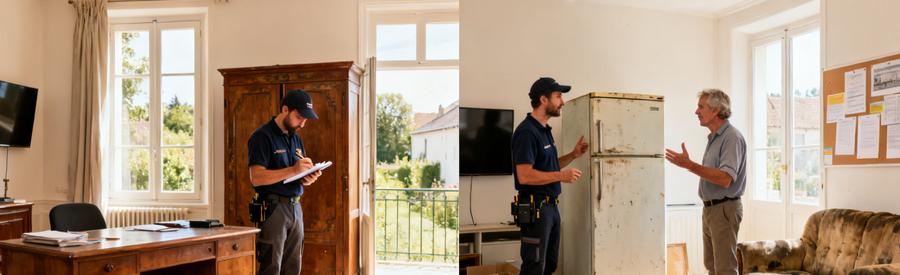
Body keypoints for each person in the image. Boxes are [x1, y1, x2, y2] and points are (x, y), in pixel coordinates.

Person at [511, 77, 589, 275]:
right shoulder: (527, 132)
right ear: (543, 100)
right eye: (558, 96)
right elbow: (525, 176)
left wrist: (573, 155)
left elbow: (549, 167)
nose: (562, 101)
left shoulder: (544, 131)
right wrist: (562, 176)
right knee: (534, 266)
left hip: (551, 208)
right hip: (536, 209)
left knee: (550, 264)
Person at [665, 89, 746, 275]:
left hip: (724, 209)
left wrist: (690, 165)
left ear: (716, 109)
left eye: (701, 107)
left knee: (724, 270)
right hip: (710, 209)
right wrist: (690, 165)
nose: (696, 111)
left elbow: (726, 178)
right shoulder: (714, 138)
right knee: (712, 267)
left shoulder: (731, 137)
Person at [247, 89, 323, 275]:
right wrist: (294, 170)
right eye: (299, 117)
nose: (303, 124)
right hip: (274, 209)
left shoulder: (296, 138)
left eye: (305, 119)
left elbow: (293, 177)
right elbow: (256, 177)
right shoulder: (262, 137)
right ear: (285, 109)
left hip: (296, 208)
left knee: (293, 267)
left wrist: (307, 178)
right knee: (271, 267)